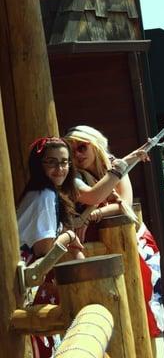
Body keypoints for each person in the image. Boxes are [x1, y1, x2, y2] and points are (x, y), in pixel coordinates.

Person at [65, 125, 164, 337]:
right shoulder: (71, 177)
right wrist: (106, 202)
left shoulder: (115, 164)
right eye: (71, 150)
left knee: (143, 299)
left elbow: (125, 204)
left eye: (82, 147)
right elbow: (93, 196)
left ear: (94, 145)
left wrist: (92, 215)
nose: (77, 154)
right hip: (97, 249)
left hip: (133, 241)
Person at [17, 137, 85, 357]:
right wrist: (68, 236)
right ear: (39, 165)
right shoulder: (45, 195)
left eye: (64, 162)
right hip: (24, 282)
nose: (60, 169)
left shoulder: (39, 193)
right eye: (52, 162)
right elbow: (44, 250)